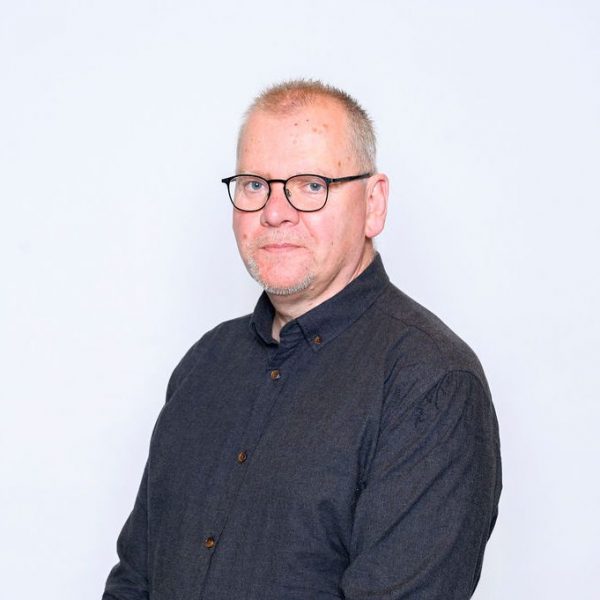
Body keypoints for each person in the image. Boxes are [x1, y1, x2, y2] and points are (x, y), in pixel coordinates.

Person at [103, 80, 501, 600]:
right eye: (254, 185)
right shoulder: (204, 364)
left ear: (374, 203)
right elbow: (135, 579)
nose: (275, 211)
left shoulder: (431, 385)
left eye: (311, 185)